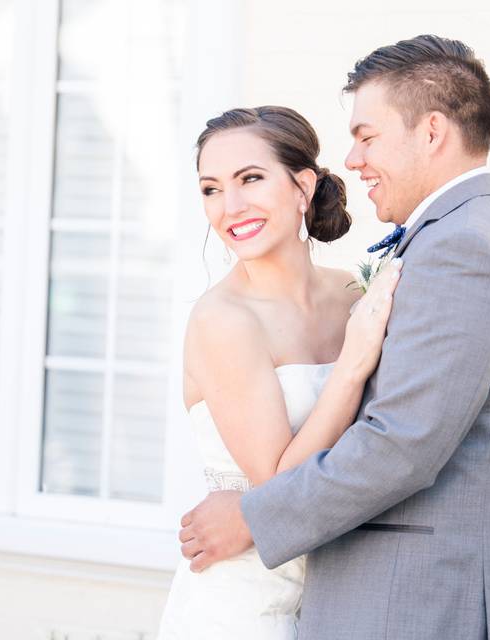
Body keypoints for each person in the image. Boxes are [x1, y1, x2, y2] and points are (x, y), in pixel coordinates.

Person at [178, 35, 490, 640]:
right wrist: (352, 366)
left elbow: (398, 445)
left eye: (367, 136)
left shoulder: (456, 251)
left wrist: (253, 516)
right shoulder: (450, 242)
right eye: (209, 187)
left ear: (432, 132)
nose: (352, 160)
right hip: (271, 595)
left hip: (421, 597)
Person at [157, 106, 403, 639]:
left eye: (250, 179)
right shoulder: (222, 320)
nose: (231, 206)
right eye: (211, 189)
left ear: (302, 186)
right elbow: (278, 485)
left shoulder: (353, 295)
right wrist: (354, 363)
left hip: (339, 592)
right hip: (243, 606)